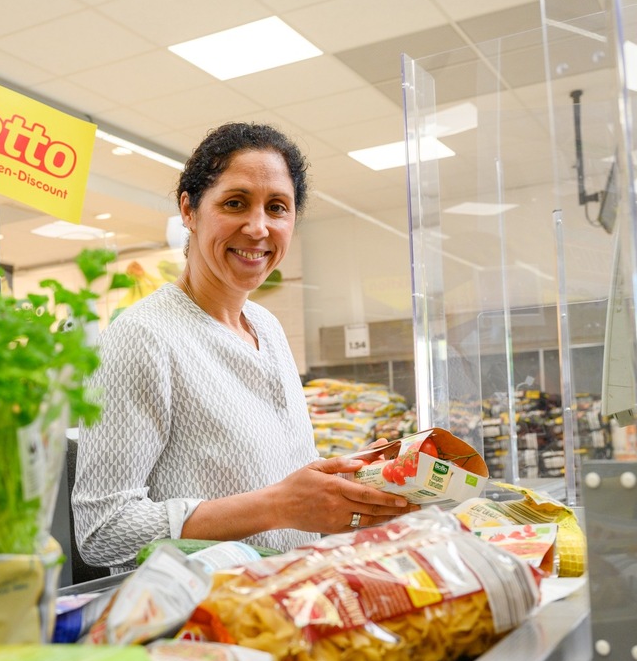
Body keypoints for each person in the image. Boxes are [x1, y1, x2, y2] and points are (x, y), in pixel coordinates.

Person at [72, 122, 408, 572]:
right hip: (196, 626)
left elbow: (277, 486)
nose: (258, 227)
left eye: (277, 208)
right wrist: (278, 506)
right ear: (189, 210)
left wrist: (351, 483)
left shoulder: (267, 328)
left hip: (280, 608)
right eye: (235, 203)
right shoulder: (142, 336)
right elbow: (102, 532)